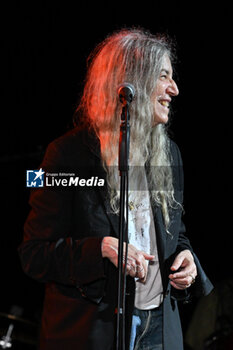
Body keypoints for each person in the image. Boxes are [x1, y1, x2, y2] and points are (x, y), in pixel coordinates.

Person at [19, 28, 213, 350]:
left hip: (160, 330)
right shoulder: (66, 155)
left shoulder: (170, 155)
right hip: (94, 331)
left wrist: (186, 258)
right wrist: (101, 249)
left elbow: (175, 234)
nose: (174, 89)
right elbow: (34, 254)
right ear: (130, 81)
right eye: (164, 76)